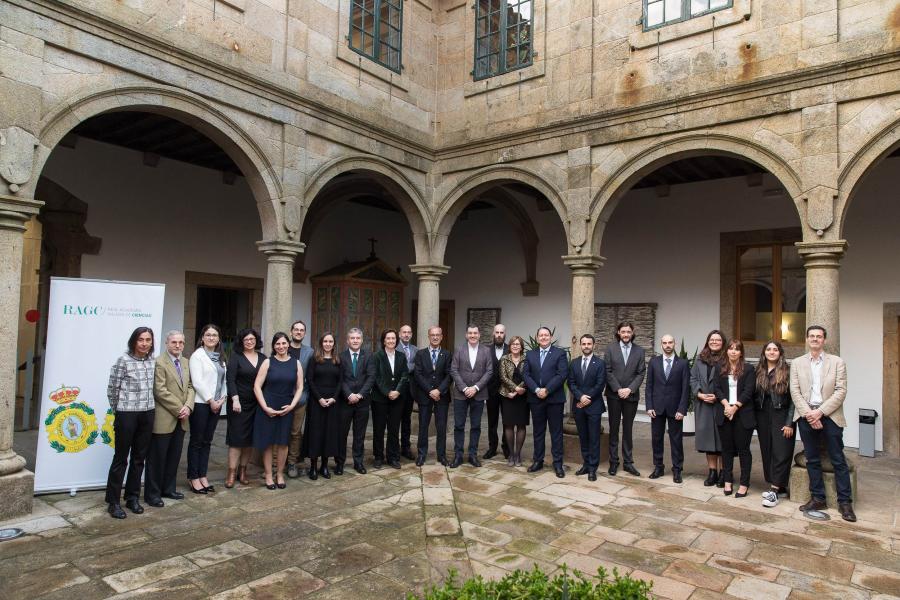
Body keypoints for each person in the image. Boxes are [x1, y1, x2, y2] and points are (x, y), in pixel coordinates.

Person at [790, 325, 855, 522]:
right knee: (812, 458)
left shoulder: (837, 362)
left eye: (819, 336)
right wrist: (810, 414)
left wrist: (820, 412)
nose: (815, 339)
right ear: (807, 339)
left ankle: (845, 502)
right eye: (812, 336)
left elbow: (841, 391)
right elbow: (795, 391)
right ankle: (818, 497)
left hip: (830, 416)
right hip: (806, 415)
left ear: (824, 340)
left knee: (837, 459)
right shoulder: (798, 363)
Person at [105, 327, 156, 519]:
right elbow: (112, 389)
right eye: (141, 340)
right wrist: (118, 411)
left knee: (139, 458)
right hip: (127, 414)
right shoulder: (123, 361)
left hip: (148, 413)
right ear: (134, 341)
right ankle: (113, 501)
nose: (144, 343)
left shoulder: (152, 361)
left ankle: (132, 497)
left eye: (148, 340)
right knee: (121, 458)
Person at [145, 330, 194, 507]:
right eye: (174, 342)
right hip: (164, 418)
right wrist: (179, 408)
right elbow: (159, 390)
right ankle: (153, 494)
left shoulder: (186, 362)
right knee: (157, 458)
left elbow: (190, 386)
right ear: (167, 343)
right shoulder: (159, 362)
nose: (178, 346)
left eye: (181, 342)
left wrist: (188, 406)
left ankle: (168, 488)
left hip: (182, 418)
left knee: (174, 456)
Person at [253, 332, 303, 489]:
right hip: (268, 406)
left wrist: (292, 405)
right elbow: (256, 386)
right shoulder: (268, 362)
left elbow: (300, 386)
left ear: (288, 344)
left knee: (283, 443)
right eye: (277, 344)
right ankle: (268, 475)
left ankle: (280, 474)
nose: (281, 346)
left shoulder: (296, 363)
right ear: (274, 346)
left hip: (286, 408)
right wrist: (265, 407)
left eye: (283, 343)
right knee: (268, 443)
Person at [523, 326, 569, 477]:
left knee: (556, 432)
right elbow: (526, 375)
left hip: (554, 399)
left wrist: (547, 390)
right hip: (536, 399)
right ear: (537, 338)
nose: (543, 337)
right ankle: (538, 460)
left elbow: (561, 374)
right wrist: (537, 390)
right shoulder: (530, 354)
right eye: (541, 335)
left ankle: (557, 463)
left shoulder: (560, 353)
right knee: (538, 431)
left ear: (550, 337)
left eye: (546, 335)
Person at [187, 324, 227, 494]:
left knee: (207, 441)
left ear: (218, 339)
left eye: (215, 335)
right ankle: (193, 477)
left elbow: (224, 380)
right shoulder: (197, 356)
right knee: (197, 441)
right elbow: (197, 382)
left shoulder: (220, 358)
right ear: (202, 338)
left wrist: (222, 398)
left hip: (216, 404)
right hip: (202, 404)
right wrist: (211, 400)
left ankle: (203, 475)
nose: (211, 338)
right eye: (208, 335)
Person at [755, 340, 795, 508]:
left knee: (782, 451)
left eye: (775, 349)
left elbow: (794, 400)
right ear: (764, 352)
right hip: (763, 414)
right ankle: (777, 485)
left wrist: (789, 423)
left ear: (780, 352)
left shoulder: (788, 370)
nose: (772, 352)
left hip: (782, 414)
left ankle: (774, 490)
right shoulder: (759, 370)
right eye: (769, 349)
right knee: (767, 450)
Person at [645, 334, 690, 483]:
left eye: (670, 342)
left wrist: (682, 409)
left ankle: (677, 469)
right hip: (656, 408)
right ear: (661, 344)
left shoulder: (683, 363)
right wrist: (649, 406)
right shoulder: (654, 362)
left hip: (675, 408)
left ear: (674, 343)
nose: (668, 345)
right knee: (656, 439)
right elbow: (649, 386)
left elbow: (685, 389)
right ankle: (658, 467)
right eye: (665, 343)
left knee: (676, 440)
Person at [714, 339, 756, 498]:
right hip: (724, 412)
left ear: (741, 352)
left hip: (742, 413)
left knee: (743, 450)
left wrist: (735, 407)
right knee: (726, 449)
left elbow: (748, 390)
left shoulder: (749, 369)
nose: (733, 351)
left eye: (736, 349)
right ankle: (727, 481)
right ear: (727, 351)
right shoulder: (720, 368)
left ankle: (744, 484)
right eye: (730, 349)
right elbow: (716, 388)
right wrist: (726, 405)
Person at [604, 322, 646, 477]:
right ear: (618, 332)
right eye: (623, 332)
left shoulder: (639, 351)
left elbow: (641, 373)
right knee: (613, 428)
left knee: (628, 429)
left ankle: (628, 463)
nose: (626, 334)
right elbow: (607, 370)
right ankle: (613, 462)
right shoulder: (610, 349)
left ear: (632, 332)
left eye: (628, 331)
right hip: (614, 395)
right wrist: (618, 389)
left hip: (631, 395)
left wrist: (629, 389)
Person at [449, 324, 493, 468]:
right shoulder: (459, 350)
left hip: (479, 394)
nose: (473, 335)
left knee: (476, 426)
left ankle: (473, 454)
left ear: (479, 335)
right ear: (466, 335)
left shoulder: (486, 351)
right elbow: (454, 370)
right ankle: (458, 455)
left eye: (475, 333)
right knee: (459, 425)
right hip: (460, 394)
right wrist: (464, 388)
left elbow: (489, 371)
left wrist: (475, 387)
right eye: (470, 333)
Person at [225, 328, 264, 487]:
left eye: (252, 339)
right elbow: (230, 380)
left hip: (256, 404)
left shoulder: (263, 358)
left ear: (256, 340)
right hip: (238, 405)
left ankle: (243, 471)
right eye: (246, 339)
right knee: (237, 440)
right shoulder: (236, 358)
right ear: (241, 341)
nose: (249, 342)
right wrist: (235, 399)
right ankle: (231, 473)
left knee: (249, 441)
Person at [302, 332, 343, 480]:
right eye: (325, 341)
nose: (328, 344)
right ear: (321, 343)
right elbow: (310, 380)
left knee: (328, 433)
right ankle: (313, 466)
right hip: (316, 402)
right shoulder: (315, 359)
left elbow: (340, 381)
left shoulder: (337, 360)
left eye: (330, 341)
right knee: (315, 433)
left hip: (332, 403)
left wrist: (333, 398)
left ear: (334, 344)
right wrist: (319, 398)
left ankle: (324, 466)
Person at [566, 334, 606, 481]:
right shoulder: (574, 363)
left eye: (589, 344)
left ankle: (593, 469)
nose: (586, 346)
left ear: (593, 345)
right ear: (580, 345)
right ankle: (586, 464)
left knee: (594, 438)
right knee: (583, 437)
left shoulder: (600, 363)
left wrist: (587, 397)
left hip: (594, 406)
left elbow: (600, 384)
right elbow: (571, 383)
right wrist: (580, 396)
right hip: (578, 406)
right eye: (584, 344)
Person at [339, 327, 377, 474]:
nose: (355, 341)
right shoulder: (341, 357)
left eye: (358, 338)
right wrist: (349, 394)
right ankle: (340, 462)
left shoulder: (368, 356)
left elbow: (371, 377)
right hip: (345, 401)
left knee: (359, 434)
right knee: (342, 434)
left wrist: (360, 395)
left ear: (361, 340)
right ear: (348, 341)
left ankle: (358, 462)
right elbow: (340, 379)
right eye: (352, 338)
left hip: (362, 402)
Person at [691, 330, 726, 487]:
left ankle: (724, 473)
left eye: (718, 340)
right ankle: (712, 472)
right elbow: (693, 378)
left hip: (721, 404)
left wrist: (718, 397)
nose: (714, 342)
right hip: (704, 405)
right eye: (712, 339)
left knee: (722, 440)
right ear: (708, 341)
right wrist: (699, 394)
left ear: (723, 342)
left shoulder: (727, 359)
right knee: (708, 440)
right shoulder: (700, 358)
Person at [372, 328, 410, 469]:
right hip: (380, 398)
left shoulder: (401, 356)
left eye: (393, 338)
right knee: (379, 429)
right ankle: (378, 457)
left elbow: (405, 375)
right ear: (383, 341)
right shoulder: (377, 356)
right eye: (388, 338)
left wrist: (397, 391)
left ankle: (393, 457)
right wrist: (387, 392)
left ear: (396, 340)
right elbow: (376, 377)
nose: (391, 341)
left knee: (394, 429)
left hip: (397, 399)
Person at [413, 326, 451, 466]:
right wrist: (430, 390)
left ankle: (441, 455)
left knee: (441, 427)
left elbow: (449, 375)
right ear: (429, 337)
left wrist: (439, 391)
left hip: (442, 396)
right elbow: (418, 374)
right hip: (425, 395)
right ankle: (421, 455)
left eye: (438, 335)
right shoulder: (420, 354)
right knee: (423, 426)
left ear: (441, 337)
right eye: (432, 335)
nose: (435, 337)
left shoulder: (447, 354)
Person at [286, 320, 314, 478]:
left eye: (301, 330)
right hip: (282, 397)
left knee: (296, 432)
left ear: (304, 333)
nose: (298, 332)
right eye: (295, 329)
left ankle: (292, 462)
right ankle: (276, 463)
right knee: (281, 431)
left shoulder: (309, 352)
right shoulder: (282, 346)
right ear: (291, 332)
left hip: (301, 398)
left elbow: (310, 377)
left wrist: (307, 395)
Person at [498, 335, 529, 467]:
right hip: (507, 396)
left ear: (521, 346)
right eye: (513, 344)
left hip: (523, 396)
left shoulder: (527, 359)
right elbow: (503, 377)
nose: (515, 346)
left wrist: (518, 390)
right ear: (509, 346)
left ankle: (518, 454)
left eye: (518, 344)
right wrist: (513, 389)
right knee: (509, 425)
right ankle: (511, 454)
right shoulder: (504, 359)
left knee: (521, 425)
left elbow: (529, 376)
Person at [484, 324, 510, 460]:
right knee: (492, 421)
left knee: (507, 421)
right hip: (491, 392)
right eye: (497, 332)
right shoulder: (486, 350)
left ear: (505, 334)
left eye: (501, 332)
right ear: (493, 334)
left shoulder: (510, 349)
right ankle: (492, 448)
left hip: (506, 392)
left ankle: (506, 448)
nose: (499, 335)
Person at [397, 324, 418, 460]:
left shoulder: (415, 349)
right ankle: (393, 448)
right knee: (394, 421)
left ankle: (406, 447)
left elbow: (419, 366)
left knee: (406, 421)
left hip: (410, 391)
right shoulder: (393, 347)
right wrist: (409, 367)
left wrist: (405, 367)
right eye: (404, 332)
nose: (406, 334)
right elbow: (398, 367)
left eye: (409, 332)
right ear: (399, 334)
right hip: (396, 390)